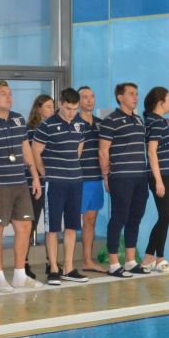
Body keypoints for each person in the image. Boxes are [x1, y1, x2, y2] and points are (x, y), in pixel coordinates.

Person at [0, 80, 43, 293]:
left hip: (19, 183)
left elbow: (26, 149)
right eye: (3, 93)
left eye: (10, 93)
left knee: (25, 227)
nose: (8, 97)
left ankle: (20, 274)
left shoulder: (18, 119)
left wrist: (35, 176)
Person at [30, 88, 89, 285]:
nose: (71, 113)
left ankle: (68, 268)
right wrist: (45, 174)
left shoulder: (80, 124)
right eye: (67, 108)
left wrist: (70, 169)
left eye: (75, 109)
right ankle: (54, 268)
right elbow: (35, 151)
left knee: (72, 226)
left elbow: (78, 151)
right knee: (53, 227)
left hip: (75, 181)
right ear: (59, 105)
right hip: (55, 183)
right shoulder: (47, 125)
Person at [99, 82, 150, 277]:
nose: (135, 97)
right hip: (121, 177)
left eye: (136, 94)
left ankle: (130, 261)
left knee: (135, 218)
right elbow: (103, 151)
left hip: (140, 176)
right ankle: (113, 264)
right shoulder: (110, 120)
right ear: (120, 97)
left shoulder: (138, 119)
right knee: (119, 217)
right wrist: (106, 176)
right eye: (131, 94)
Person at [141, 86, 169, 272]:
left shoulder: (158, 121)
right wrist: (159, 180)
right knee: (165, 216)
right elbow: (151, 152)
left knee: (166, 216)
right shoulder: (156, 122)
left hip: (168, 173)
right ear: (160, 102)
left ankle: (156, 257)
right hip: (162, 175)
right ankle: (152, 256)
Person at [25, 94, 55, 280]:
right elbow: (30, 157)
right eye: (48, 107)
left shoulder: (55, 129)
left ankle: (51, 262)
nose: (52, 110)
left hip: (52, 182)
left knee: (51, 223)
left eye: (53, 106)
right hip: (33, 183)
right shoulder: (29, 131)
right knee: (30, 224)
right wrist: (39, 176)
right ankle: (24, 262)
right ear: (38, 109)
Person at [76, 86, 105, 272]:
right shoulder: (74, 123)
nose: (89, 100)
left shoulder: (101, 124)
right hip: (79, 179)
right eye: (85, 97)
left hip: (96, 178)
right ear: (78, 101)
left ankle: (87, 260)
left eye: (92, 96)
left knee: (91, 219)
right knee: (72, 222)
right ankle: (67, 264)